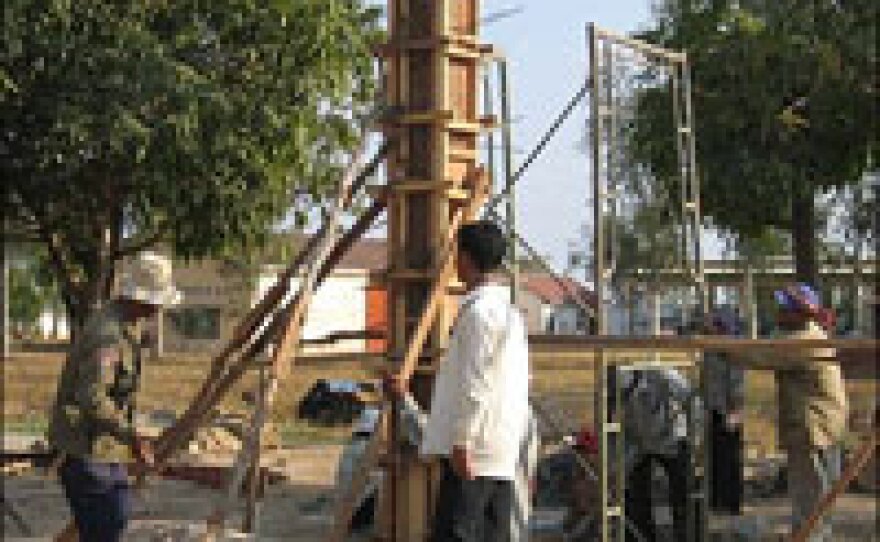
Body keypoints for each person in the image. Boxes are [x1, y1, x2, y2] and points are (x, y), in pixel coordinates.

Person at [47, 252, 181, 541]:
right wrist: (133, 435)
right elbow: (92, 397)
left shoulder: (125, 323)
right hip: (85, 447)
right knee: (105, 528)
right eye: (155, 303)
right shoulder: (108, 335)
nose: (157, 310)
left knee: (114, 518)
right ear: (139, 298)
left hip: (104, 445)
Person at [420, 221, 531, 542]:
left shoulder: (479, 315)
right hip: (500, 444)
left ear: (466, 259)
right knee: (492, 533)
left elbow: (476, 383)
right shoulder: (510, 313)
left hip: (475, 449)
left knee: (457, 532)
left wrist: (462, 441)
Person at [771, 283, 845, 541]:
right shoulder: (810, 335)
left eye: (783, 308)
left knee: (809, 498)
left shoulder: (802, 341)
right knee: (818, 498)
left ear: (798, 314)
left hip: (812, 428)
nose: (778, 313)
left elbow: (758, 355)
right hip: (821, 426)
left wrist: (721, 348)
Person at [619, 368, 699, 542]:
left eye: (628, 391)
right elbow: (616, 422)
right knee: (634, 494)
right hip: (639, 443)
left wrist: (695, 437)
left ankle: (687, 536)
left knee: (683, 494)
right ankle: (640, 536)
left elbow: (693, 400)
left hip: (672, 439)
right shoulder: (617, 385)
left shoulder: (664, 376)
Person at [702, 307, 745, 515]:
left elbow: (736, 382)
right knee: (715, 457)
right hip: (713, 408)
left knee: (730, 457)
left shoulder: (732, 350)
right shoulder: (710, 349)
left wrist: (735, 410)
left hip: (729, 410)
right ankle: (716, 500)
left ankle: (732, 502)